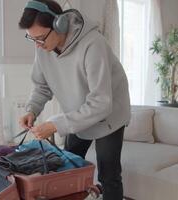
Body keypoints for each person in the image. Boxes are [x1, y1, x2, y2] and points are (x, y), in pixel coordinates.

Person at [18, 0, 130, 199]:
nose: (37, 44)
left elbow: (101, 103)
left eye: (41, 38)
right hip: (77, 114)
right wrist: (32, 109)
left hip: (109, 115)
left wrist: (55, 124)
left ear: (59, 24)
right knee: (68, 167)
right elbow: (42, 86)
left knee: (109, 175)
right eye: (31, 38)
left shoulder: (94, 44)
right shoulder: (42, 48)